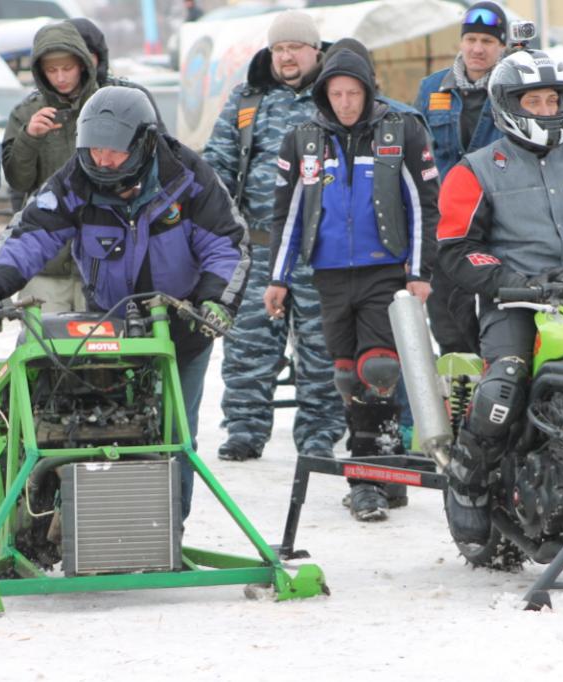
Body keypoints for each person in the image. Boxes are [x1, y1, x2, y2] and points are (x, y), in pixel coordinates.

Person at [0, 86, 249, 520]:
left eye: (114, 152)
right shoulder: (75, 181)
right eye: (94, 150)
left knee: (174, 437)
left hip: (180, 330)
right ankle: (52, 517)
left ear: (144, 143)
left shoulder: (189, 179)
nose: (103, 161)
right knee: (80, 425)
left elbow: (226, 244)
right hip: (109, 327)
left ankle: (167, 529)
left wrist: (216, 301)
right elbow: (29, 235)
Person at [436, 48, 563, 543]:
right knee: (504, 384)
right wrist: (517, 282)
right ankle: (469, 479)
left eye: (553, 100)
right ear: (508, 105)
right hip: (515, 304)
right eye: (534, 101)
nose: (547, 110)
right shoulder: (475, 169)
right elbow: (457, 248)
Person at [265, 49, 439, 521]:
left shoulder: (401, 131)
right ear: (324, 94)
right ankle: (388, 471)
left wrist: (419, 271)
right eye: (336, 94)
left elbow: (424, 205)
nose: (345, 103)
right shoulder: (302, 140)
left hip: (386, 271)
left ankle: (367, 483)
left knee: (378, 370)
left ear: (368, 92)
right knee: (347, 376)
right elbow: (287, 215)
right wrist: (278, 277)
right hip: (329, 276)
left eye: (353, 93)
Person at [203, 10, 345, 463]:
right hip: (261, 248)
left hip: (323, 251)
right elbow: (216, 166)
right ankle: (244, 430)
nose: (286, 57)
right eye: (279, 49)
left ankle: (320, 433)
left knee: (323, 349)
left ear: (315, 52)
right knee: (248, 347)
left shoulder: (339, 97)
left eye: (295, 48)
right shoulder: (248, 101)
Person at [1, 20, 165, 313]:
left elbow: (156, 163)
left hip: (107, 255)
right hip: (47, 264)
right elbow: (18, 181)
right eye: (52, 70)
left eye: (68, 68)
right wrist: (29, 138)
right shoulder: (26, 113)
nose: (61, 77)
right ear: (39, 71)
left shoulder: (115, 103)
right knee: (44, 340)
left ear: (84, 63)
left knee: (109, 339)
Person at [414, 2, 509, 357]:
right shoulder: (431, 89)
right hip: (446, 229)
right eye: (471, 39)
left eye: (487, 40)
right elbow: (415, 155)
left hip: (498, 227)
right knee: (449, 326)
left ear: (502, 46)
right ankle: (459, 390)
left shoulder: (513, 87)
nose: (477, 49)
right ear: (461, 42)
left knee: (497, 325)